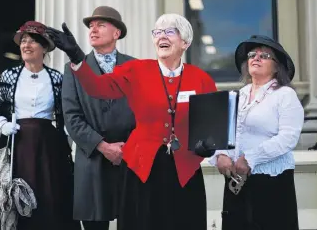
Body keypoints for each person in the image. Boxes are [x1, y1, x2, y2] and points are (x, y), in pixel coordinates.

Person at [46, 14, 218, 230]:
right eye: (157, 32)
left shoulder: (201, 79)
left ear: (185, 42)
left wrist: (208, 146)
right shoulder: (136, 71)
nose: (161, 36)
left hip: (184, 169)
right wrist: (77, 56)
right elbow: (97, 87)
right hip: (142, 170)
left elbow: (211, 126)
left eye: (169, 31)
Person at [0, 21, 80, 230]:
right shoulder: (9, 76)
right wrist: (3, 126)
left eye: (32, 41)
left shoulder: (56, 79)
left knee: (48, 196)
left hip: (47, 148)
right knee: (14, 198)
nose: (26, 45)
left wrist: (66, 145)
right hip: (17, 146)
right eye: (23, 40)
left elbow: (65, 117)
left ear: (44, 47)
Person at [209, 35, 304, 230]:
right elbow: (224, 131)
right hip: (236, 181)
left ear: (277, 67)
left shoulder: (285, 95)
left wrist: (250, 158)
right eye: (252, 54)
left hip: (271, 182)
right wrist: (221, 155)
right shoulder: (238, 95)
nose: (256, 58)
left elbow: (288, 138)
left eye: (264, 55)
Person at [61, 6, 136, 230]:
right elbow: (71, 116)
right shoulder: (73, 69)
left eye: (100, 25)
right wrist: (103, 146)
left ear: (117, 33)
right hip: (91, 160)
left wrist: (128, 149)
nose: (93, 30)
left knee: (134, 222)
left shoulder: (135, 67)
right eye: (91, 26)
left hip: (128, 160)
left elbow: (145, 114)